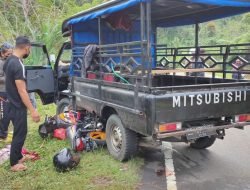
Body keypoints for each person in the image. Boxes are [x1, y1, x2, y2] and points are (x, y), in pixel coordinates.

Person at [3, 36, 40, 172]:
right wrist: (33, 110)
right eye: (29, 49)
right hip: (17, 104)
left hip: (9, 101)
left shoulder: (8, 60)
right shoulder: (18, 64)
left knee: (20, 131)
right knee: (20, 133)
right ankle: (14, 163)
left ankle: (18, 156)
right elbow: (22, 91)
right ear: (26, 47)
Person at [0, 42, 14, 139]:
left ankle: (4, 132)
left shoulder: (11, 61)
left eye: (11, 54)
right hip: (2, 91)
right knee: (4, 113)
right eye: (8, 54)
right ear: (2, 53)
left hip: (11, 91)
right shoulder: (0, 63)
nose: (10, 56)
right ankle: (2, 133)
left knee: (10, 112)